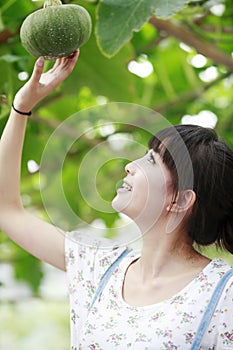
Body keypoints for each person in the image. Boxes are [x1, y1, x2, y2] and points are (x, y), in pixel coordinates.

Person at [0, 51, 232, 350]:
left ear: (180, 199)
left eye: (150, 160)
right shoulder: (98, 266)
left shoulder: (223, 293)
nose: (129, 165)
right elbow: (6, 209)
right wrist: (22, 106)